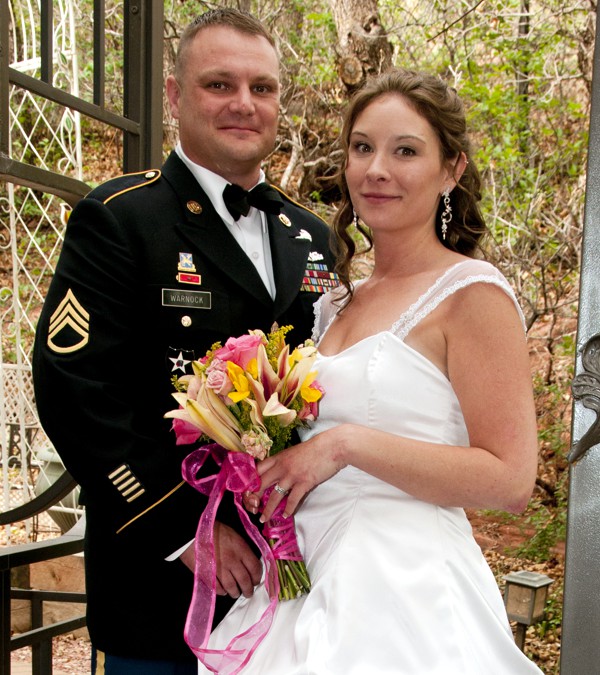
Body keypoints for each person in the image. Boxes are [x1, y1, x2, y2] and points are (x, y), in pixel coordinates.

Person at [202, 68, 544, 674]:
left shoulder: (473, 295)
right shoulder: (336, 302)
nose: (376, 169)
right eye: (363, 147)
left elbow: (511, 479)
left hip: (404, 595)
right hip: (306, 575)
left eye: (405, 151)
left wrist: (346, 446)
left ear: (452, 170)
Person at [32, 8, 336, 675]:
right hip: (163, 588)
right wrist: (183, 533)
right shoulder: (120, 220)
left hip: (302, 587)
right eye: (218, 84)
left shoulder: (311, 236)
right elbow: (75, 392)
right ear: (175, 96)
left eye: (262, 88)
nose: (243, 104)